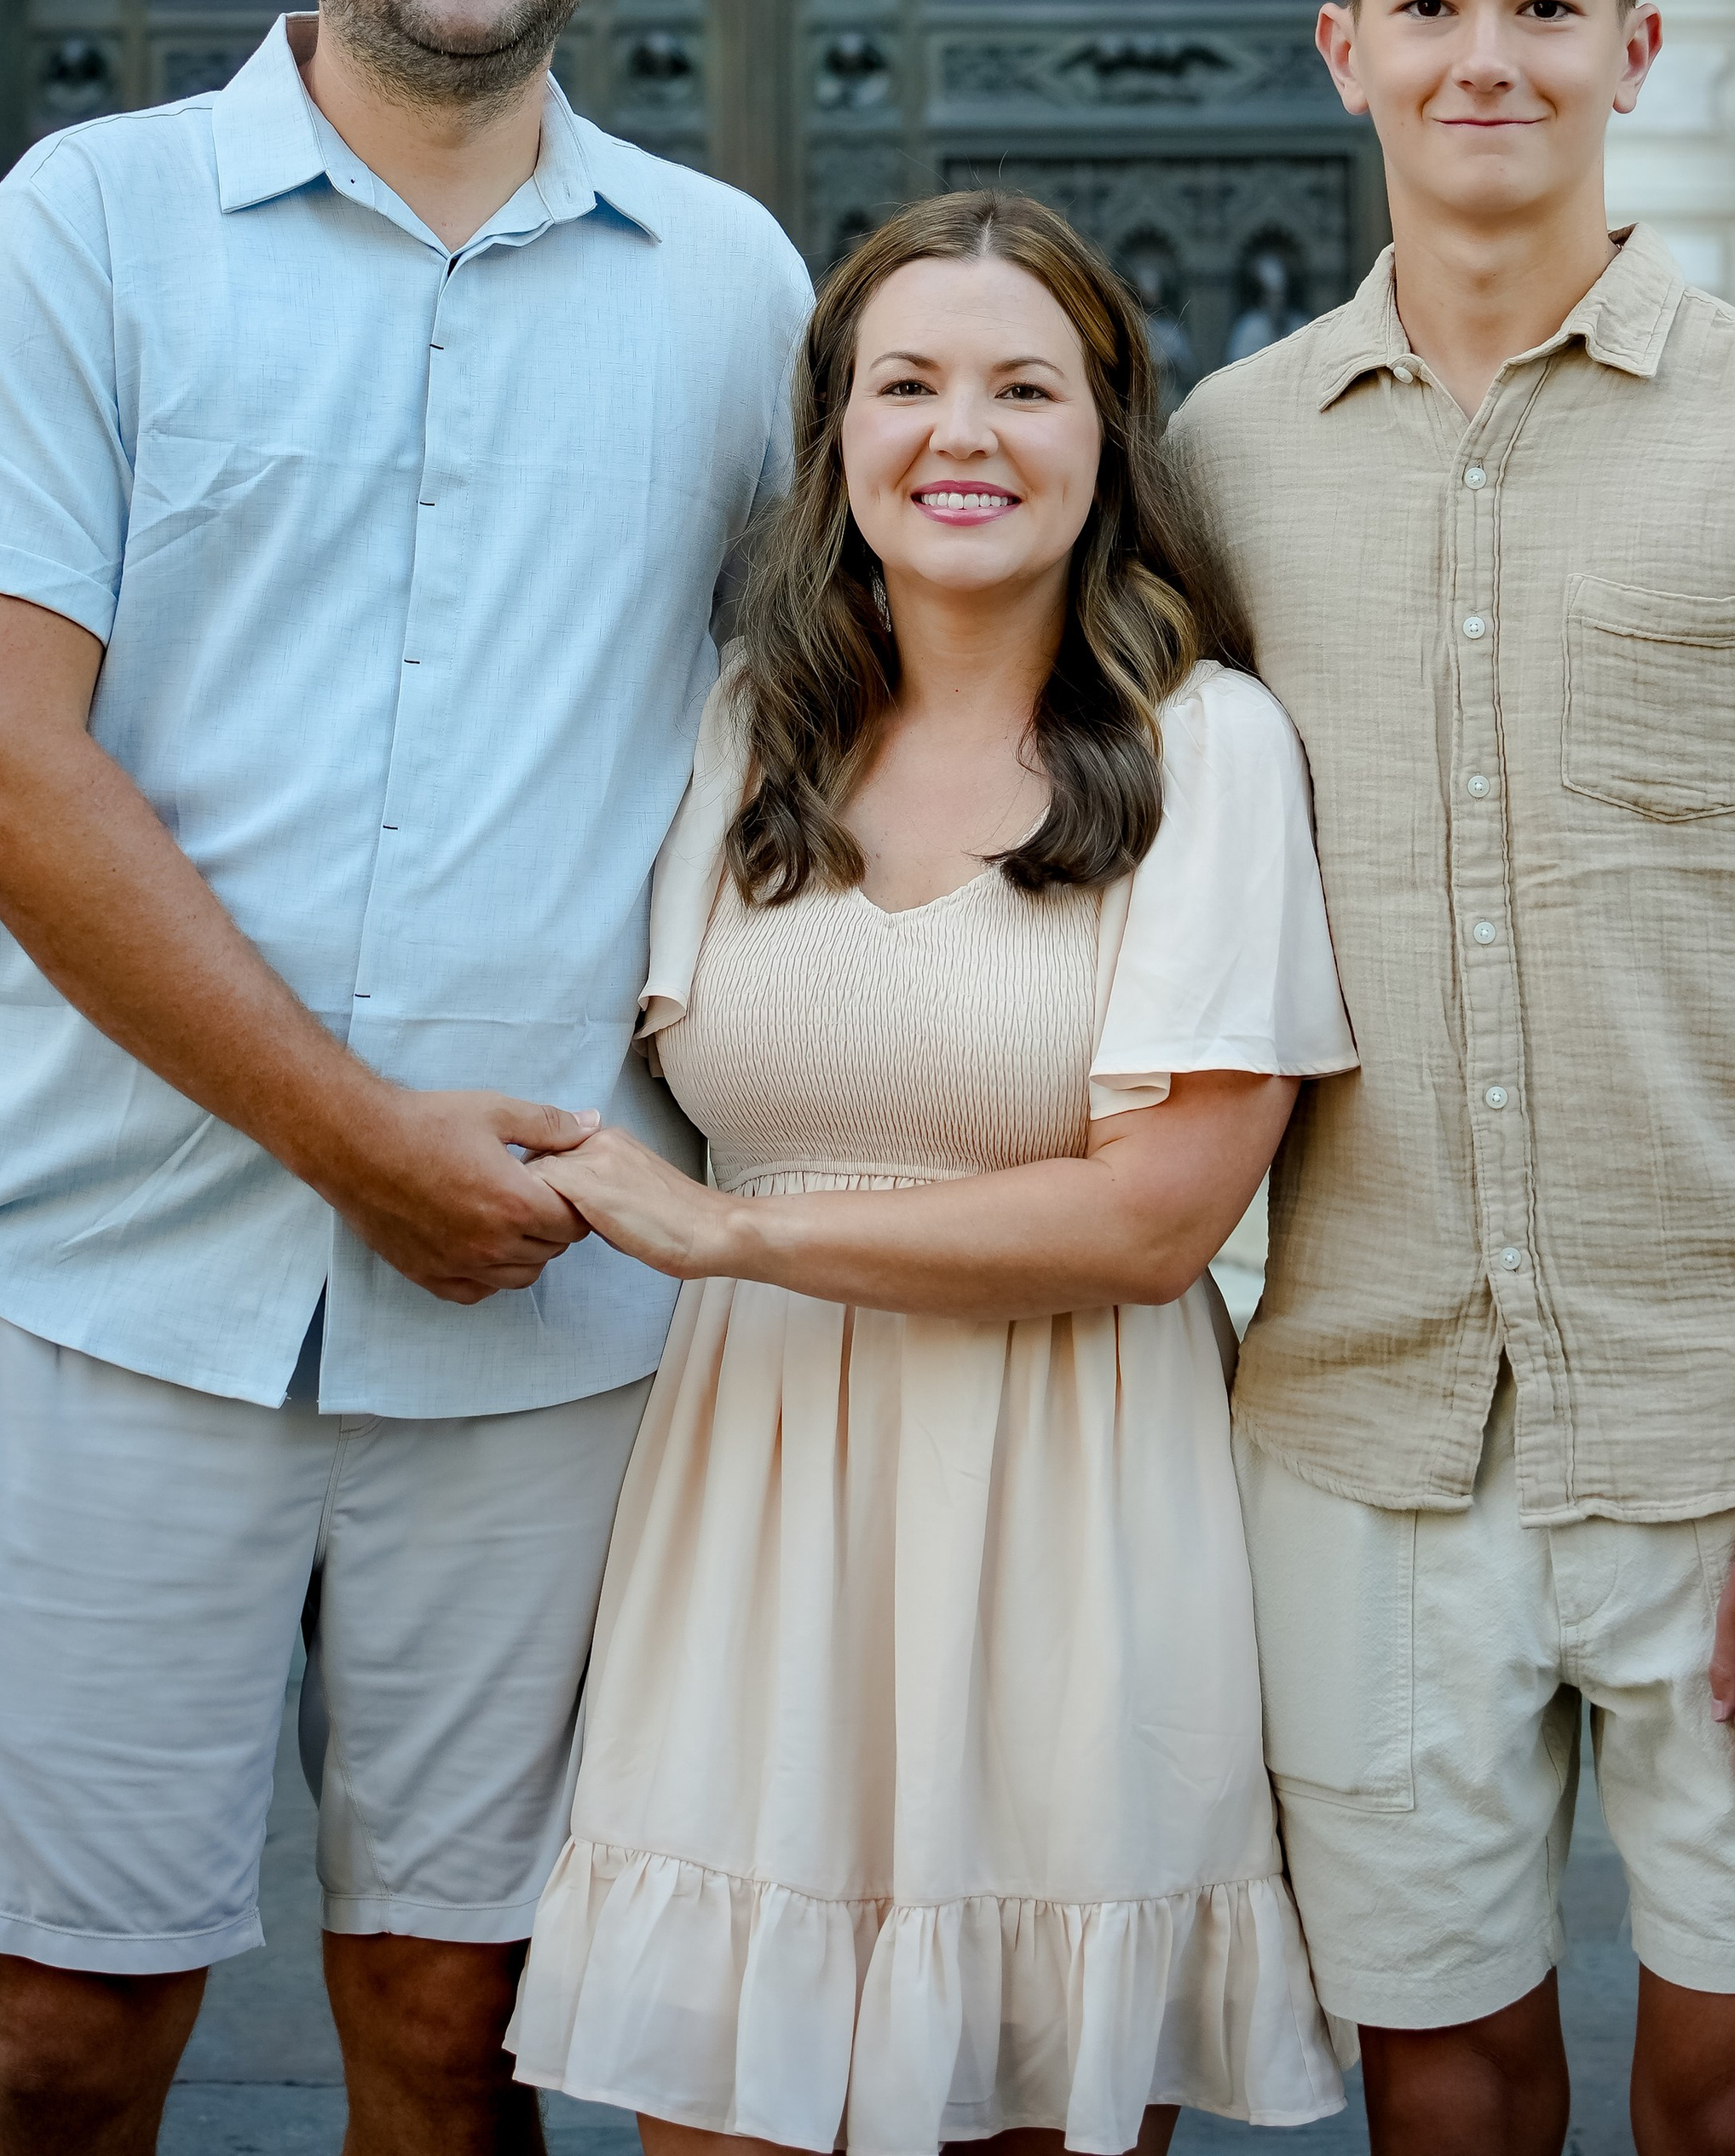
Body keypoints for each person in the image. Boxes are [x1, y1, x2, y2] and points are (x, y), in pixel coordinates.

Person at [0, 0, 810, 2156]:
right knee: (62, 2055)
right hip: (107, 1292)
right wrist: (349, 1135)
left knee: (461, 2032)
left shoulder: (736, 291)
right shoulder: (92, 227)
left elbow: (853, 736)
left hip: (543, 1330)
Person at [1167, 0, 1735, 2156]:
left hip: (1726, 1437)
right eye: (1431, 7)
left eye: (1548, 8)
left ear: (1637, 48)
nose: (1488, 61)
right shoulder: (1226, 462)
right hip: (1361, 1439)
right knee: (1448, 2103)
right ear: (1346, 48)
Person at [504, 189, 1353, 2154]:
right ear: (835, 436)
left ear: (1106, 435)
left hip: (1070, 1504)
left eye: (1020, 388)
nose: (956, 434)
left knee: (1033, 2103)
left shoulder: (1204, 748)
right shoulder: (742, 733)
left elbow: (1158, 1220)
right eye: (903, 383)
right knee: (715, 2106)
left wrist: (730, 1232)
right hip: (753, 1495)